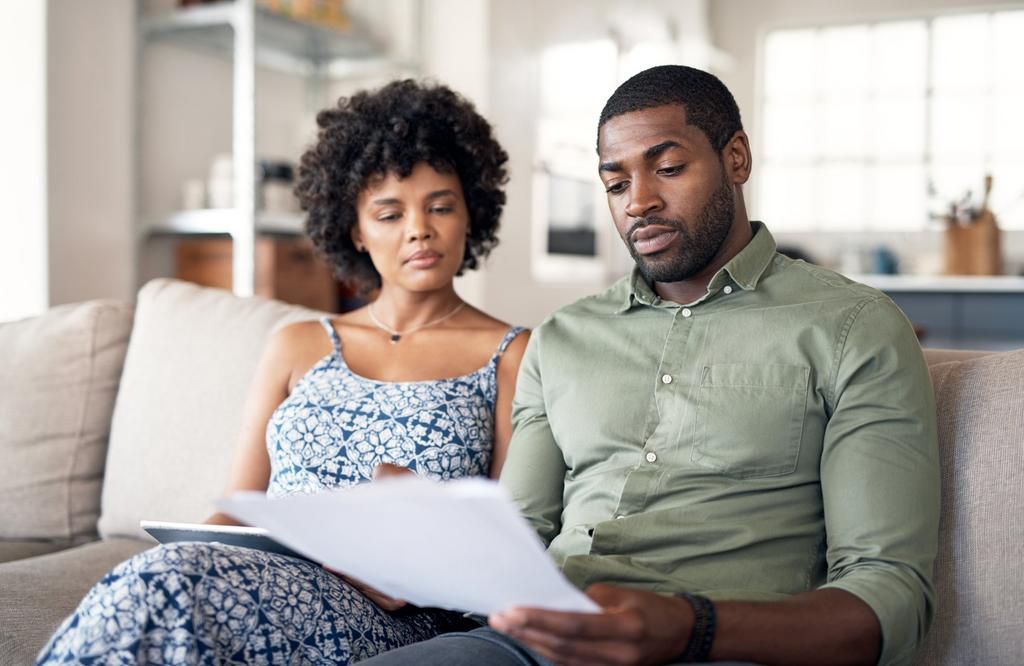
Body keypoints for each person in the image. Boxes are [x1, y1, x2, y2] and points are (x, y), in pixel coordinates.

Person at [361, 65, 939, 666]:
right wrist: (426, 546)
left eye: (668, 168)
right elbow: (521, 540)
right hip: (532, 647)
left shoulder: (854, 327)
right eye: (615, 186)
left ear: (735, 158)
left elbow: (890, 596)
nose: (639, 202)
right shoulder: (562, 338)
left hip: (727, 648)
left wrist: (695, 627)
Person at [36, 80, 529, 665]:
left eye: (441, 206)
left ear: (472, 212)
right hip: (262, 577)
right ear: (354, 230)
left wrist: (421, 565)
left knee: (170, 588)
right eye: (389, 213)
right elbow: (238, 506)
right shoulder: (296, 344)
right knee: (161, 576)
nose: (418, 229)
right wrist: (198, 547)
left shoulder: (511, 353)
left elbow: (516, 538)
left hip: (400, 614)